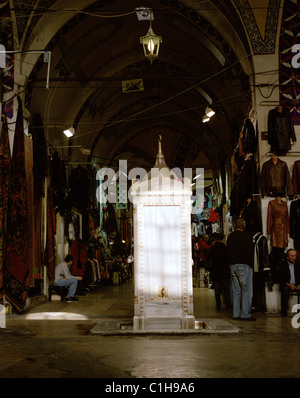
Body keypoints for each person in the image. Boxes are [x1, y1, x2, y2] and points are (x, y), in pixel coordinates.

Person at [227, 217, 255, 321]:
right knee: (246, 290)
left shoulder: (230, 236)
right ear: (244, 226)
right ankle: (245, 314)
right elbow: (249, 252)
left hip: (232, 266)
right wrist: (251, 264)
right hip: (244, 265)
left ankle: (236, 314)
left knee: (236, 291)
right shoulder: (246, 236)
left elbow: (228, 251)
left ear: (235, 226)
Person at [208, 233, 232, 309]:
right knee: (226, 289)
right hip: (225, 271)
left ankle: (218, 304)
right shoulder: (225, 248)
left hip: (215, 271)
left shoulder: (212, 248)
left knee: (217, 290)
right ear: (222, 239)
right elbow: (229, 259)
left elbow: (209, 259)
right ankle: (227, 303)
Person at [279, 248, 300, 316]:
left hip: (296, 283)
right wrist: (289, 285)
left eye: (295, 256)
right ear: (287, 257)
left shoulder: (298, 264)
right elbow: (280, 278)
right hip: (287, 284)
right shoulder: (282, 264)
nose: (294, 257)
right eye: (292, 256)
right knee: (285, 289)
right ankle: (284, 310)